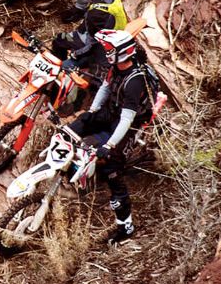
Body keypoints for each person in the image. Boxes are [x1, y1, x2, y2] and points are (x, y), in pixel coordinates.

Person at [67, 29, 159, 243]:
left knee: (111, 169)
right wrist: (92, 111)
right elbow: (106, 88)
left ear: (122, 52)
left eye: (110, 49)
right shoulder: (116, 67)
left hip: (128, 125)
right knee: (77, 126)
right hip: (111, 112)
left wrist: (109, 145)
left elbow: (127, 119)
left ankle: (125, 227)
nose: (106, 52)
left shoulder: (135, 81)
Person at [50, 0, 126, 71]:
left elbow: (91, 45)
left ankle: (59, 70)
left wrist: (75, 55)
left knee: (59, 41)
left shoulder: (95, 15)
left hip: (100, 47)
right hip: (113, 34)